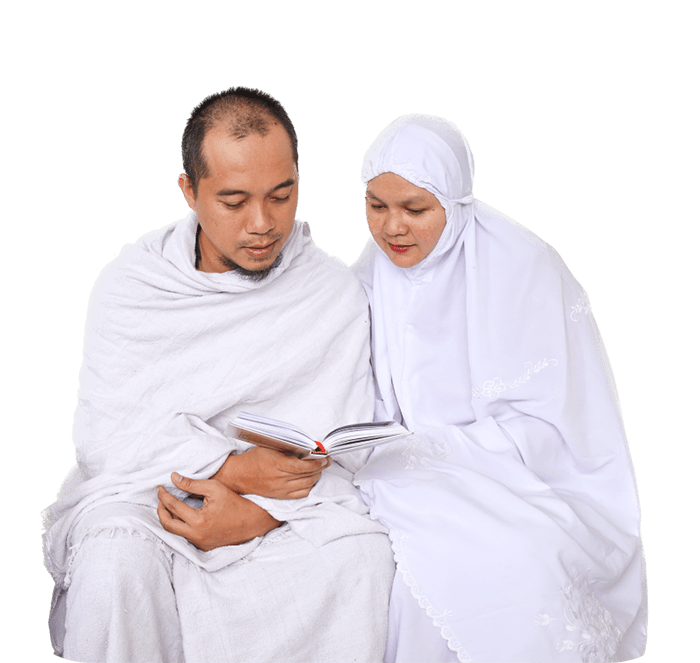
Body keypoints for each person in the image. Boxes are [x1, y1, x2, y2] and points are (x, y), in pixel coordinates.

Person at [41, 87, 395, 663]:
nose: (263, 224)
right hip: (146, 500)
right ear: (189, 190)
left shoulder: (330, 290)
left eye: (282, 196)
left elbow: (341, 452)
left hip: (285, 513)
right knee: (112, 561)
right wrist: (234, 468)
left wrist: (253, 514)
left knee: (360, 557)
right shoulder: (131, 286)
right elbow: (110, 440)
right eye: (234, 201)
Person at [351, 114, 648, 663]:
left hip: (518, 477)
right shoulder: (370, 274)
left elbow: (555, 429)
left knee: (505, 564)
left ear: (457, 203)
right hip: (394, 466)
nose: (393, 227)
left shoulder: (525, 268)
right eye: (376, 206)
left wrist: (435, 452)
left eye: (415, 209)